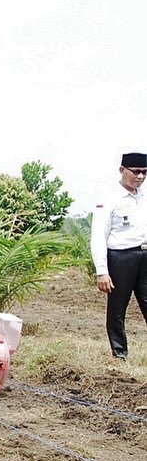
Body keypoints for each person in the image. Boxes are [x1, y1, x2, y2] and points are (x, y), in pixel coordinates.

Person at [89, 152, 147, 360]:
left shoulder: (144, 197)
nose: (140, 177)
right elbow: (98, 236)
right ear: (122, 170)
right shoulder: (109, 198)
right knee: (117, 310)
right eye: (136, 172)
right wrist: (102, 271)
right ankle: (120, 353)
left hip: (144, 256)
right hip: (121, 258)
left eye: (144, 173)